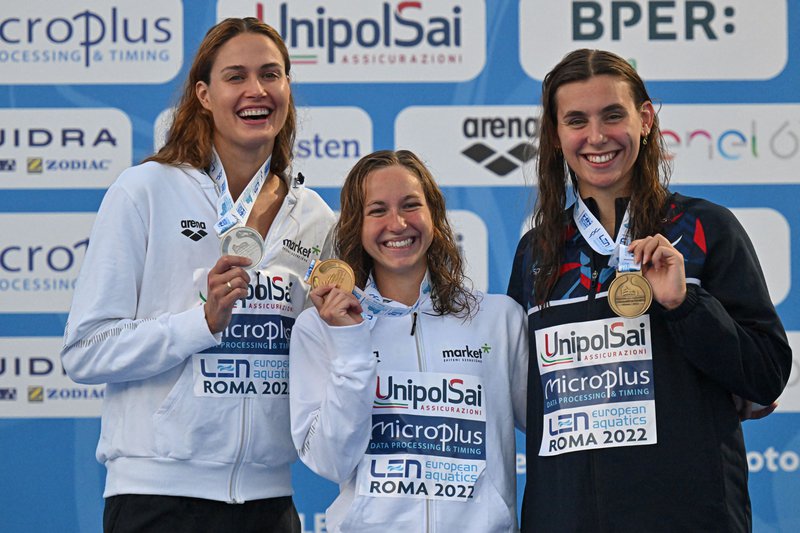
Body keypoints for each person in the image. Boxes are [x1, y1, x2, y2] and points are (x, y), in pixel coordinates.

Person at [60, 17, 335, 533]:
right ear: (204, 95)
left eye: (271, 74)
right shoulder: (143, 191)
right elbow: (86, 349)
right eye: (237, 76)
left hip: (269, 501)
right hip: (158, 497)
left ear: (288, 89)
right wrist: (200, 323)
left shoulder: (315, 216)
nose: (257, 91)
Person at [507, 48, 792, 532]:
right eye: (576, 120)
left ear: (644, 119)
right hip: (568, 517)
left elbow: (765, 377)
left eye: (612, 115)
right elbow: (520, 394)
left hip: (688, 516)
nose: (596, 137)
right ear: (556, 137)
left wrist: (685, 305)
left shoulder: (706, 229)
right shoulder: (537, 251)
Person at [289, 150, 528, 532]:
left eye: (411, 205)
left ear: (434, 214)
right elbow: (330, 462)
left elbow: (556, 425)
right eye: (377, 210)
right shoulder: (319, 329)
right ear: (356, 224)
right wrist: (349, 342)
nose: (397, 224)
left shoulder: (498, 319)